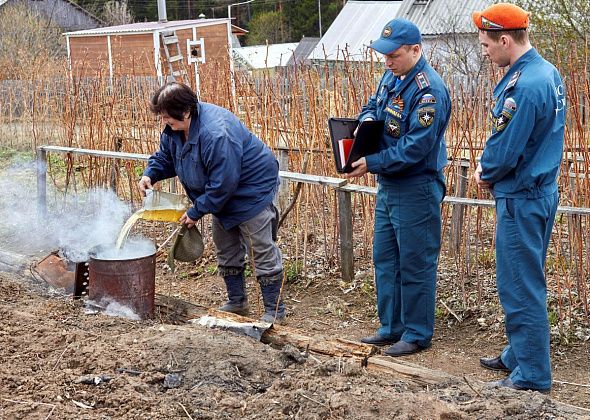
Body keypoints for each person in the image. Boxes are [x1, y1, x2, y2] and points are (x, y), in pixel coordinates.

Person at [472, 3, 565, 393]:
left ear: (505, 40)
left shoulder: (523, 87)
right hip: (541, 191)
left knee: (520, 285)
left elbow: (506, 148)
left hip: (521, 198)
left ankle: (531, 374)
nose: (484, 51)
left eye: (486, 45)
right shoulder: (547, 73)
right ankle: (519, 351)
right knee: (528, 276)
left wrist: (484, 171)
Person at [344, 18, 451, 356]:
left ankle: (417, 333)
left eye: (394, 55)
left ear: (416, 50)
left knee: (415, 262)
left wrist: (372, 162)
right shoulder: (391, 76)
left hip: (415, 185)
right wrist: (363, 125)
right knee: (386, 258)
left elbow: (416, 148)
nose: (387, 61)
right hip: (389, 184)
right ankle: (392, 326)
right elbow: (373, 107)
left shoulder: (429, 90)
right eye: (384, 55)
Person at [138, 82, 286, 324]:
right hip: (219, 193)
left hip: (251, 190)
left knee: (260, 248)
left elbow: (223, 182)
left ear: (185, 111)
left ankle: (275, 310)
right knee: (225, 245)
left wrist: (197, 210)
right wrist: (150, 174)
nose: (165, 122)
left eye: (167, 117)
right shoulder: (175, 128)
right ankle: (237, 302)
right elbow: (166, 156)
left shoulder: (217, 133)